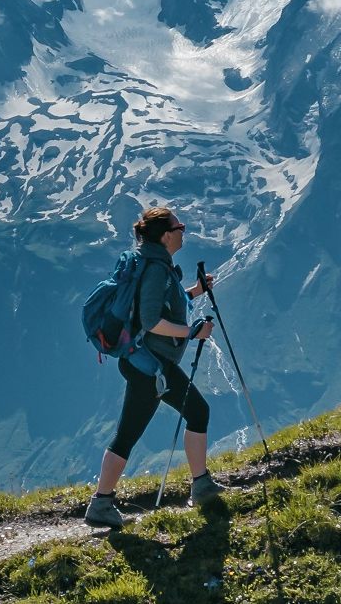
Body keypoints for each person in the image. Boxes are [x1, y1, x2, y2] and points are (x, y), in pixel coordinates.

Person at [85, 206, 227, 527]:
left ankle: (102, 503)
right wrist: (191, 332)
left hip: (143, 364)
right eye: (179, 227)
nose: (183, 232)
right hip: (152, 366)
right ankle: (200, 486)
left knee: (128, 432)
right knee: (197, 413)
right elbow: (151, 321)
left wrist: (195, 291)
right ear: (166, 236)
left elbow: (162, 306)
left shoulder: (152, 262)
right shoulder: (156, 268)